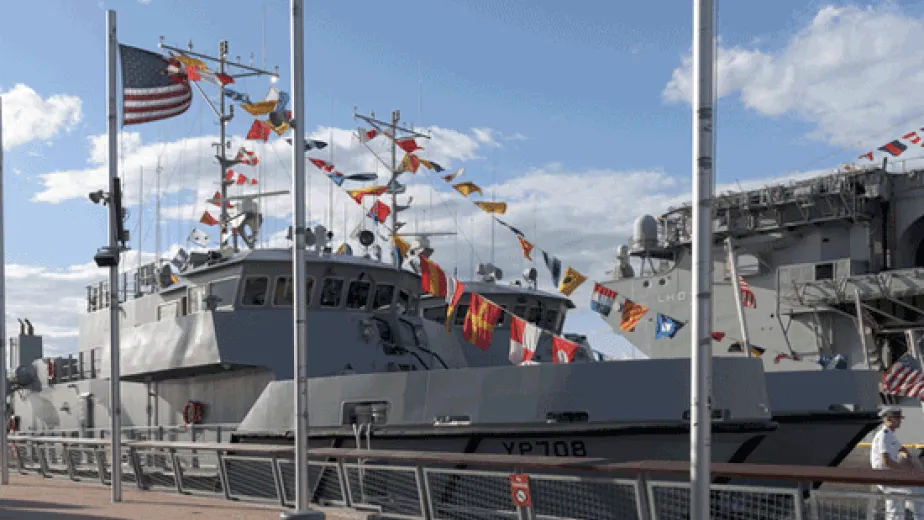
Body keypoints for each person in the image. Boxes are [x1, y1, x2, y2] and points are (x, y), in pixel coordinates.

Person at [871, 406, 924, 519]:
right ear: (889, 419)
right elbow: (886, 462)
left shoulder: (890, 434)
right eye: (897, 418)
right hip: (885, 477)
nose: (900, 421)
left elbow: (902, 449)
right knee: (918, 491)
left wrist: (909, 459)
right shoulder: (883, 435)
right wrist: (904, 471)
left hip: (892, 476)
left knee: (895, 507)